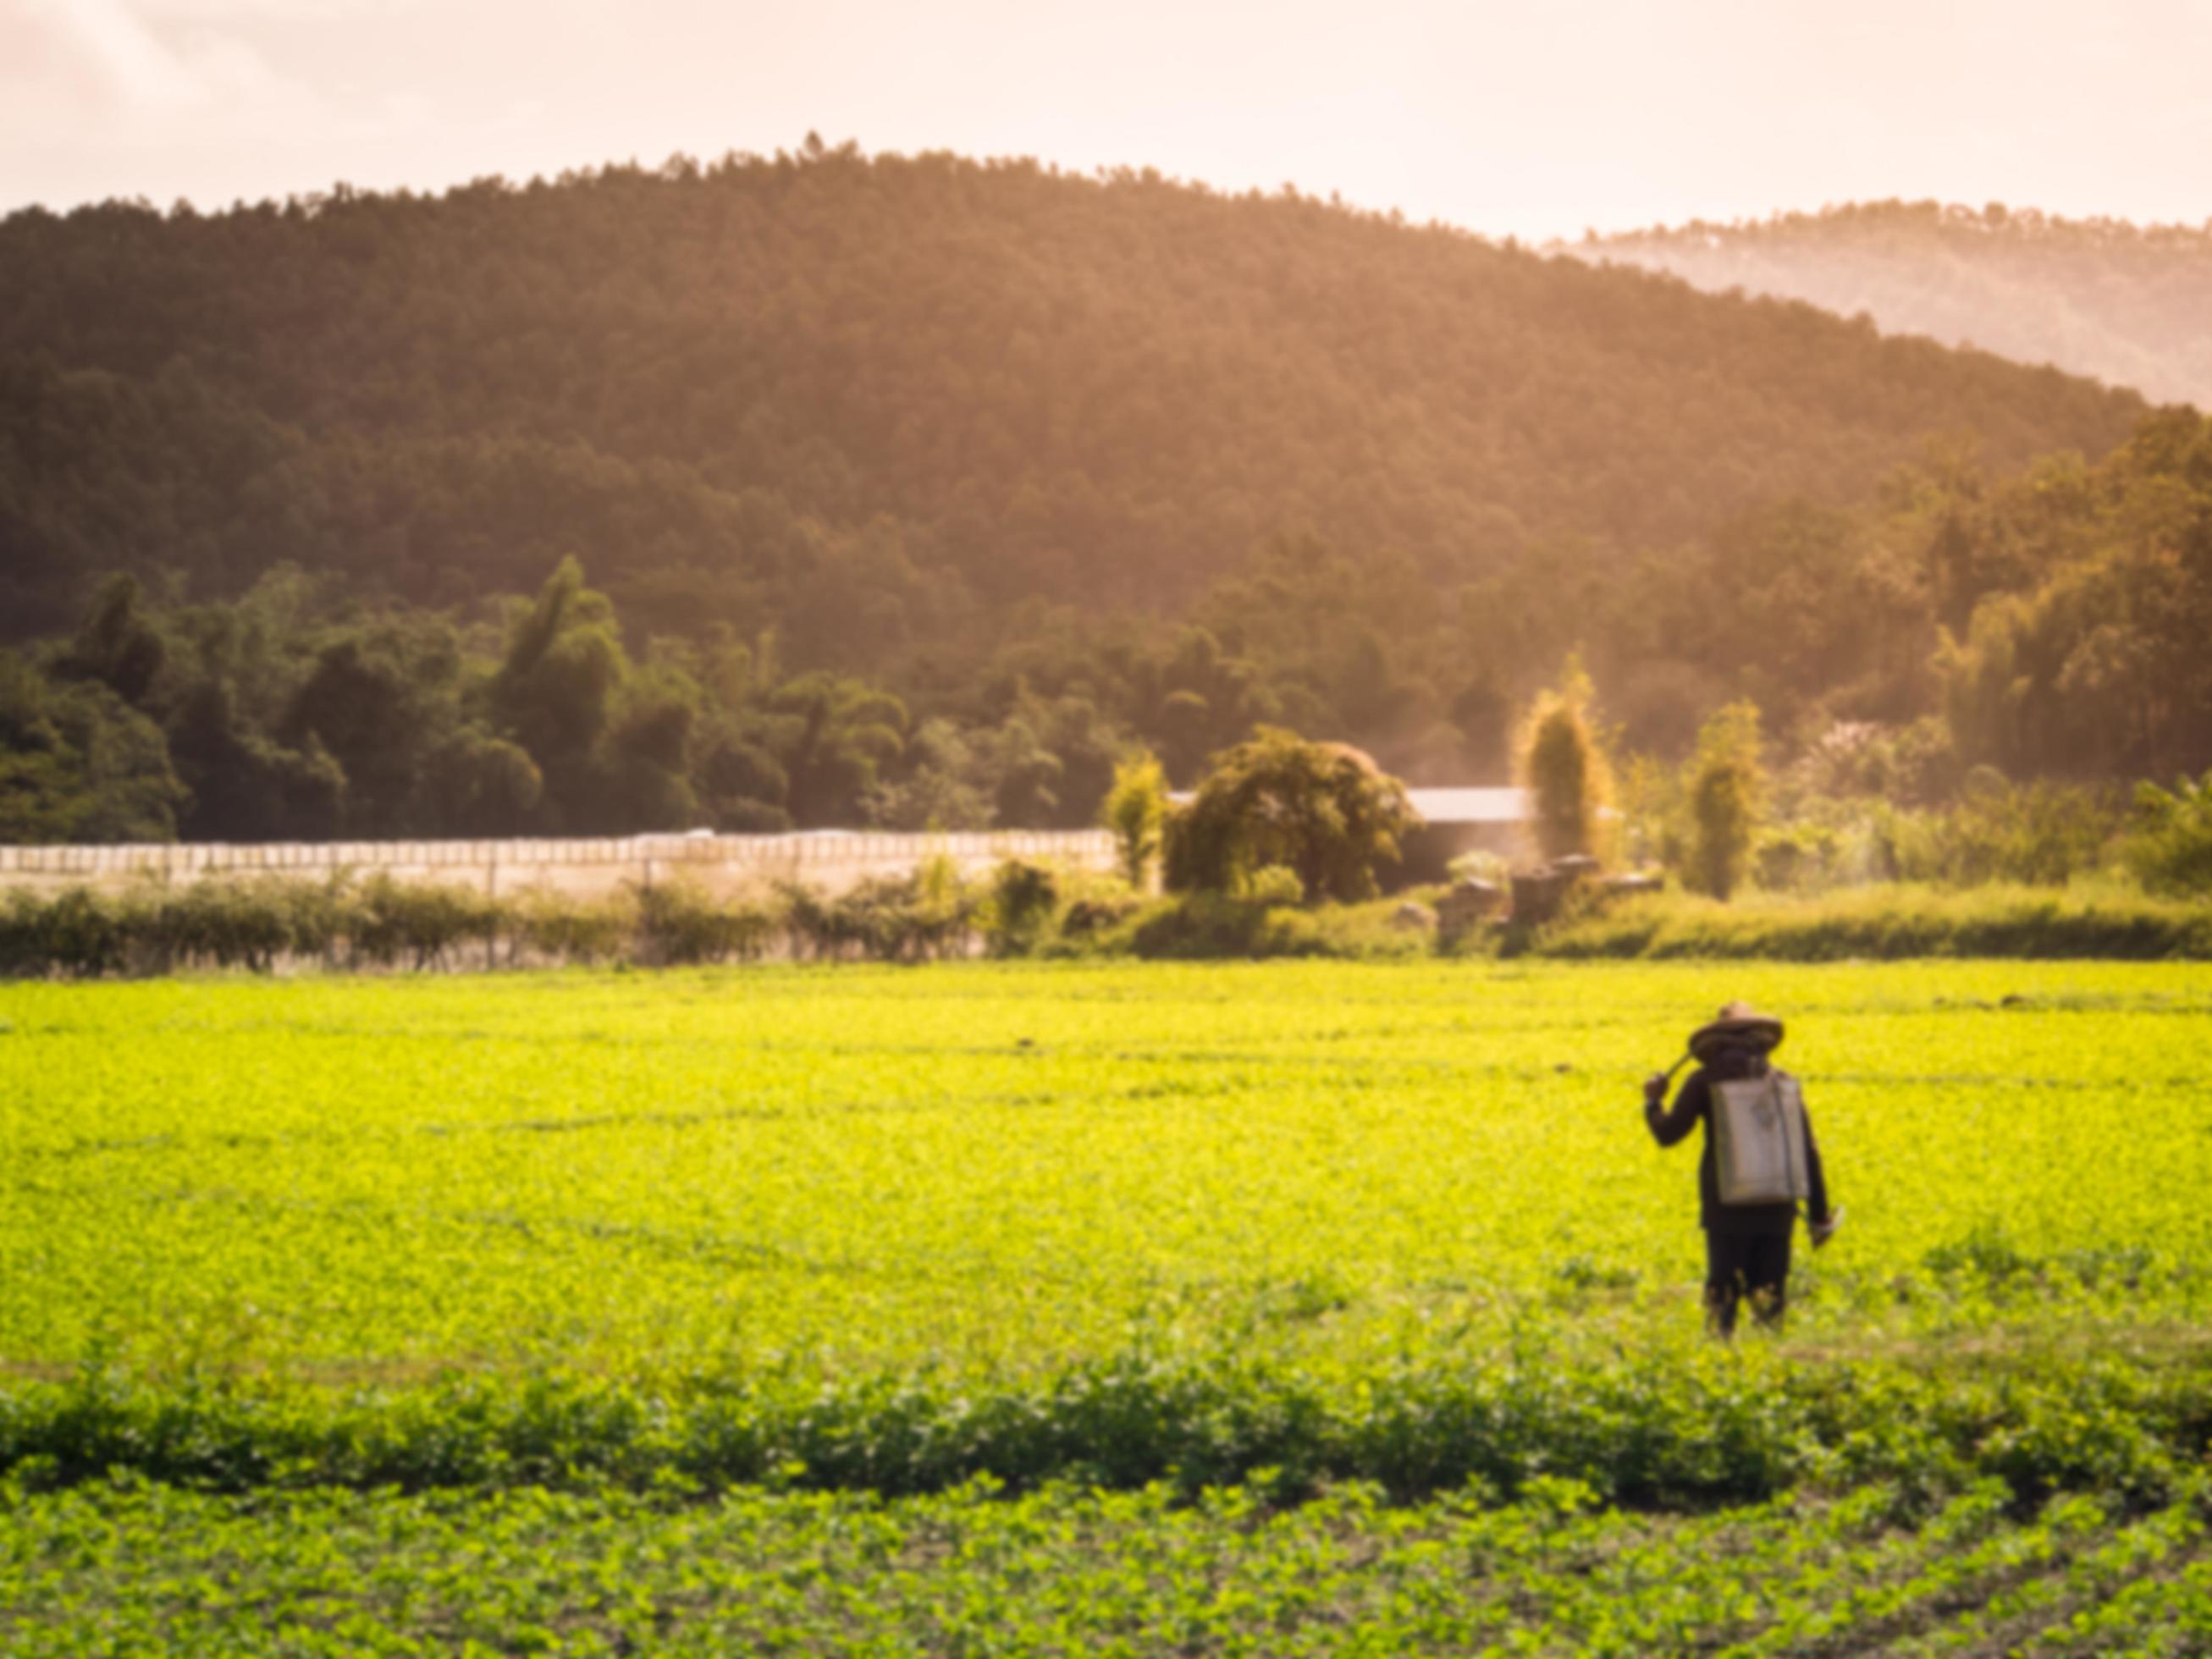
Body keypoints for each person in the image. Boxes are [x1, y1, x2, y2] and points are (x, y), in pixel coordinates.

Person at [1644, 1000, 1838, 1336]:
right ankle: (1768, 1374)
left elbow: (1667, 1134)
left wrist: (1653, 1101)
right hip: (1778, 1207)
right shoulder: (1781, 1082)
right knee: (1770, 1302)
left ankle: (1721, 1372)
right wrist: (1819, 1217)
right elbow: (1807, 1150)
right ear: (1762, 1040)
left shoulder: (1703, 1081)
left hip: (1726, 1209)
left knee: (1723, 1300)